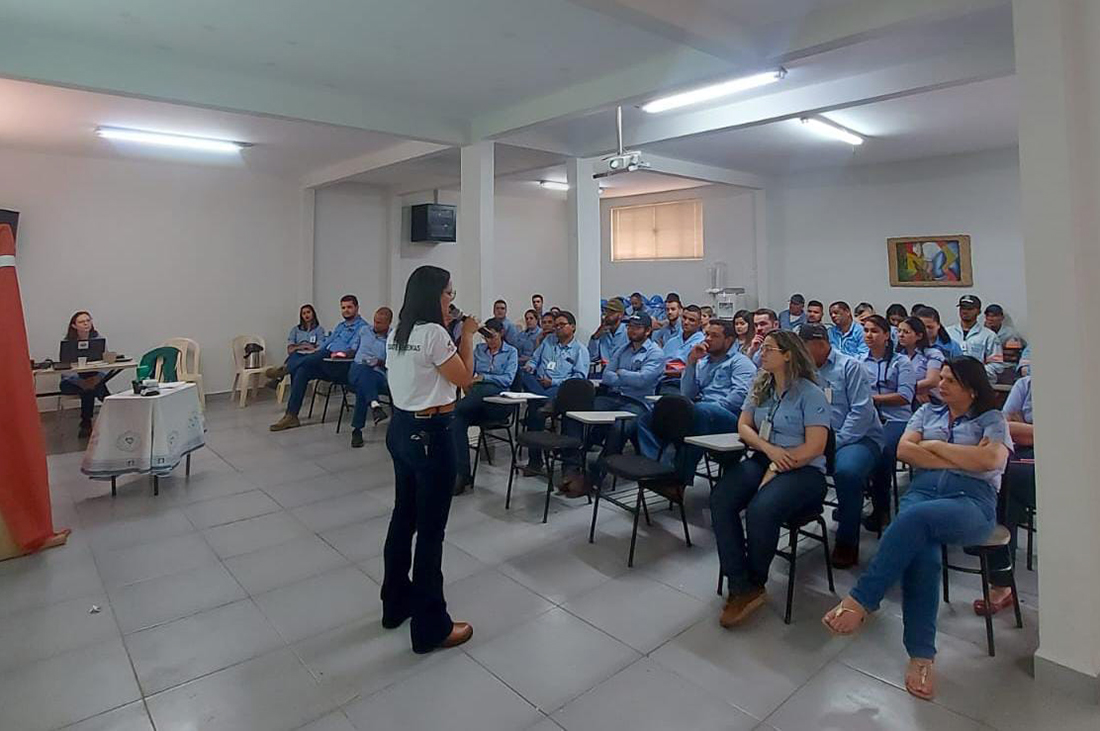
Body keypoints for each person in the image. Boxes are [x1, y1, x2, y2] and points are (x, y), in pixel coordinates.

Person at [823, 357, 1011, 702]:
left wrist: (935, 447)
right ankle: (921, 657)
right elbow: (905, 450)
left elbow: (991, 462)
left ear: (971, 388)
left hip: (970, 502)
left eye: (950, 380)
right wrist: (962, 455)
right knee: (922, 557)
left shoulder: (992, 419)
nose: (941, 385)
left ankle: (863, 598)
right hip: (923, 493)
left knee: (913, 520)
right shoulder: (926, 413)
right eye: (941, 378)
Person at [381, 265, 478, 654]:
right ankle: (430, 626)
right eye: (448, 294)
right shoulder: (436, 334)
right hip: (432, 436)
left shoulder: (398, 332)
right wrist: (467, 336)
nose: (451, 300)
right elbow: (464, 378)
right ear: (435, 295)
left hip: (401, 430)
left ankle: (395, 604)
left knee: (403, 518)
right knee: (431, 533)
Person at [710, 330, 830, 627]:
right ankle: (741, 583)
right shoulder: (762, 385)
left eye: (769, 349)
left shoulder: (810, 392)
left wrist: (778, 465)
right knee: (721, 499)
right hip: (767, 456)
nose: (761, 353)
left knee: (761, 510)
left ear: (788, 355)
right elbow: (744, 426)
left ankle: (755, 580)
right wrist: (769, 451)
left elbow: (815, 446)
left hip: (804, 469)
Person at [800, 324, 883, 568]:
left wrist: (832, 444)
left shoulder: (850, 367)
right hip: (819, 436)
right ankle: (801, 514)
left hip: (858, 437)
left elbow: (861, 412)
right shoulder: (803, 370)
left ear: (818, 344)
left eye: (801, 348)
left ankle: (847, 542)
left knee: (846, 473)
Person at [637, 319, 757, 482]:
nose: (707, 339)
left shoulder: (741, 362)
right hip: (700, 412)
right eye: (707, 334)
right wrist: (691, 362)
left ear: (729, 340)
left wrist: (701, 407)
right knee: (649, 417)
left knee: (698, 412)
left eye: (714, 336)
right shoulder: (703, 362)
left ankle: (679, 479)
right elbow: (687, 393)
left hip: (730, 418)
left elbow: (740, 396)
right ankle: (657, 466)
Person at [568, 312, 666, 496]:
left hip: (639, 403)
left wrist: (620, 374)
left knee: (618, 429)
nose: (631, 330)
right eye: (630, 326)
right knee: (581, 415)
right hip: (615, 397)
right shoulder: (623, 349)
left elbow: (643, 381)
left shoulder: (656, 353)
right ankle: (573, 466)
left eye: (637, 327)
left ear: (647, 331)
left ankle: (595, 476)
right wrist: (627, 376)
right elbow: (607, 376)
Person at [271, 295, 367, 431]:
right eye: (343, 307)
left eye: (349, 307)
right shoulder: (340, 326)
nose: (346, 310)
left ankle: (282, 373)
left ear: (357, 308)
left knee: (313, 357)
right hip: (325, 360)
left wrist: (337, 354)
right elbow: (327, 342)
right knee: (302, 369)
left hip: (341, 364)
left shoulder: (363, 328)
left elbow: (352, 350)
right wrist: (315, 351)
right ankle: (291, 416)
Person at [982, 374, 1034, 616]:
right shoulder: (1026, 384)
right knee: (1001, 478)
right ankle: (1002, 583)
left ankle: (1001, 583)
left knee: (1009, 480)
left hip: (1070, 459)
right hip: (1023, 455)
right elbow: (1005, 425)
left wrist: (1026, 427)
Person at [451, 318, 519, 495]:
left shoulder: (511, 352)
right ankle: (462, 474)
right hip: (476, 399)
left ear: (501, 334)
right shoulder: (479, 350)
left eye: (492, 336)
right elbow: (468, 371)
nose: (489, 340)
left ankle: (455, 408)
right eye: (486, 336)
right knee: (457, 420)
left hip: (499, 400)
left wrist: (484, 378)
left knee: (481, 390)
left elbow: (508, 379)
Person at [861, 316, 916, 532]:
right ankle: (856, 498)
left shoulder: (901, 362)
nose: (869, 335)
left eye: (874, 331)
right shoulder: (858, 361)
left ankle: (881, 509)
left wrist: (872, 399)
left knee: (882, 450)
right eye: (865, 330)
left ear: (886, 335)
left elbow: (905, 396)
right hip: (867, 417)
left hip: (897, 418)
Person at [519, 310, 589, 475]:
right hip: (539, 385)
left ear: (572, 327)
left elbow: (579, 379)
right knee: (521, 372)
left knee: (536, 413)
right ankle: (544, 400)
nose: (557, 328)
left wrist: (554, 382)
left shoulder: (580, 350)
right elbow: (534, 359)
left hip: (560, 389)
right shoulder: (548, 342)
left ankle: (535, 462)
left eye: (561, 325)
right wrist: (530, 366)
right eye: (555, 325)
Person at [347, 307, 393, 448]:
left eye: (379, 323)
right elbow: (353, 349)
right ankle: (374, 405)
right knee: (363, 373)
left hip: (379, 374)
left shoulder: (393, 338)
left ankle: (357, 430)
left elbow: (394, 362)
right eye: (375, 321)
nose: (375, 325)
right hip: (356, 369)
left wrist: (379, 362)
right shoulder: (364, 331)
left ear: (388, 323)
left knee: (364, 386)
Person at [60, 311, 110, 438]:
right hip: (71, 382)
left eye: (88, 320)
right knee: (91, 388)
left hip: (93, 378)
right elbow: (65, 370)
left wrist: (98, 377)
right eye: (82, 322)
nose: (86, 323)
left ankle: (86, 424)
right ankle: (112, 409)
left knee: (90, 387)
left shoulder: (98, 340)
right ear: (74, 326)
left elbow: (106, 363)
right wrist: (80, 381)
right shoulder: (68, 343)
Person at [265, 304, 326, 385]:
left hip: (311, 356)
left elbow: (318, 348)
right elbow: (290, 350)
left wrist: (298, 346)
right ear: (301, 316)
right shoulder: (295, 330)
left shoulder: (319, 330)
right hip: (297, 355)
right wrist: (305, 346)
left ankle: (281, 374)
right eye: (303, 313)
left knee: (296, 363)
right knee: (296, 362)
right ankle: (285, 376)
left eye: (308, 312)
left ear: (313, 313)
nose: (306, 315)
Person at [896, 316, 944, 406]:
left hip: (931, 399)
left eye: (906, 332)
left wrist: (907, 389)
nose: (901, 335)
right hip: (905, 397)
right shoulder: (897, 356)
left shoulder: (932, 354)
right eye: (899, 331)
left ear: (919, 336)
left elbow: (932, 381)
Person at [946, 295, 998, 363]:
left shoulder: (989, 336)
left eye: (969, 309)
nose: (965, 311)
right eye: (962, 308)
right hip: (950, 372)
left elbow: (996, 363)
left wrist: (979, 372)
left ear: (978, 312)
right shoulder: (948, 332)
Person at [982, 305, 1027, 383]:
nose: (991, 319)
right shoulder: (981, 332)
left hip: (1007, 367)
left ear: (1001, 318)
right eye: (988, 316)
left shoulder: (1010, 334)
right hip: (986, 367)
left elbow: (1016, 353)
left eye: (995, 316)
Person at [588, 298, 628, 364]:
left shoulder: (627, 332)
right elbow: (592, 357)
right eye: (606, 311)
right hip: (603, 371)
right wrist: (596, 337)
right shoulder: (602, 332)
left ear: (620, 315)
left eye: (611, 312)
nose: (607, 315)